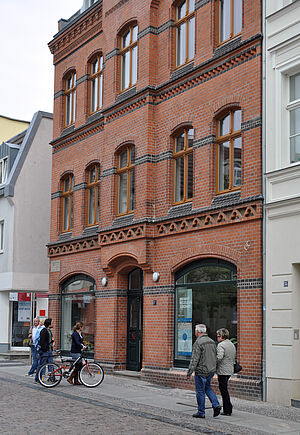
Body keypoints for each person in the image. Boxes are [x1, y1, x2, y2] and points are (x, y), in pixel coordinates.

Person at [187, 324, 221, 419]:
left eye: (195, 331)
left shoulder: (198, 342)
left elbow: (194, 359)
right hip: (211, 370)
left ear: (197, 332)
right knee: (208, 388)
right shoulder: (212, 341)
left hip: (201, 370)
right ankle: (216, 404)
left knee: (200, 391)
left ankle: (201, 412)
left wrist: (189, 372)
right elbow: (216, 356)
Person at [216, 328, 236, 416]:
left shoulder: (221, 345)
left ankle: (227, 409)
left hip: (222, 370)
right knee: (225, 390)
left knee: (223, 390)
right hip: (229, 370)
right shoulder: (231, 344)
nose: (217, 338)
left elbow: (219, 357)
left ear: (221, 336)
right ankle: (228, 407)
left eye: (218, 336)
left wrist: (212, 361)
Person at [34, 318, 54, 383]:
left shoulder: (49, 331)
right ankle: (40, 379)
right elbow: (42, 342)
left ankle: (51, 378)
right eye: (52, 322)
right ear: (49, 324)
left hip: (49, 350)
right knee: (43, 366)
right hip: (45, 351)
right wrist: (45, 349)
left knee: (51, 365)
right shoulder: (44, 331)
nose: (53, 324)